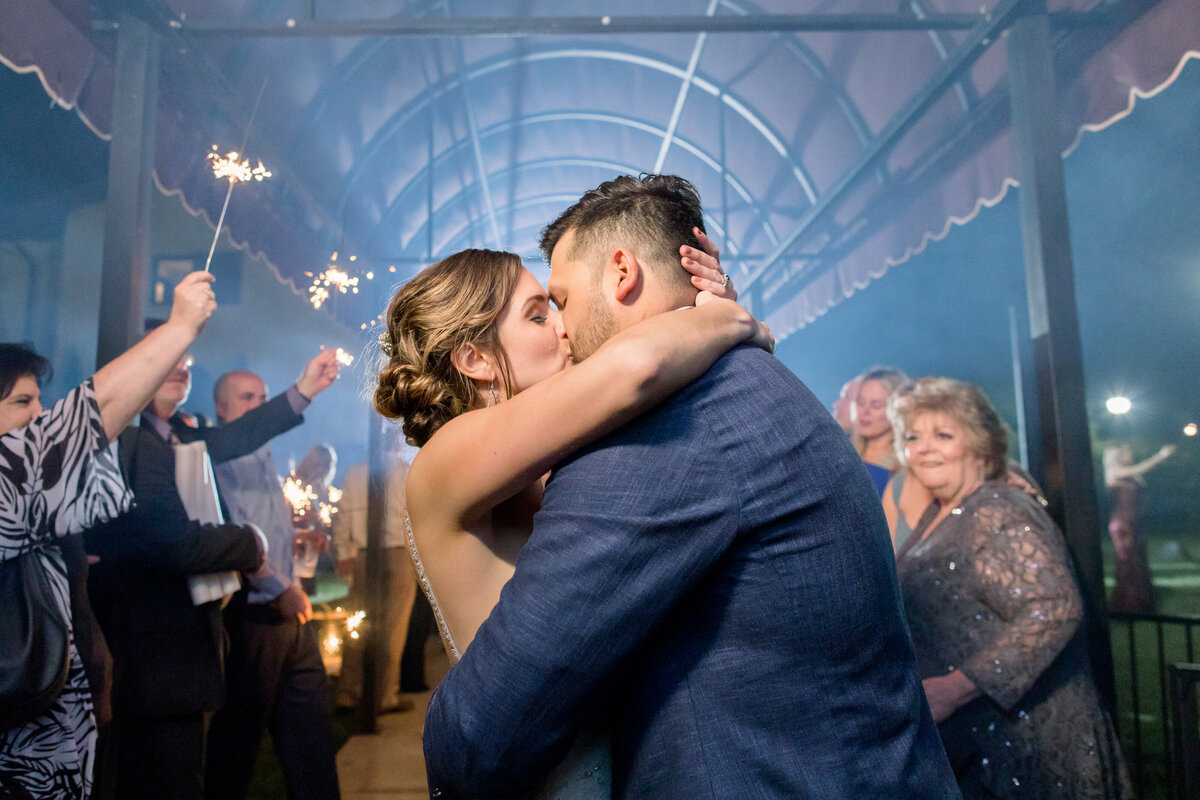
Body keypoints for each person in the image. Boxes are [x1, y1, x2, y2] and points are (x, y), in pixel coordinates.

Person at [409, 174, 957, 797]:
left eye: (557, 301)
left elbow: (482, 732)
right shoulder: (734, 381)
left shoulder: (663, 428)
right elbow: (634, 366)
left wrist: (720, 320)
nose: (561, 328)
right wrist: (728, 318)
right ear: (474, 358)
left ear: (621, 271)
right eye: (541, 314)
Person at [84, 330, 335, 800]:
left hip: (187, 637)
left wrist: (303, 389)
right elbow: (169, 540)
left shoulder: (180, 434)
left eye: (186, 360)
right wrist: (250, 542)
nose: (183, 367)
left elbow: (240, 434)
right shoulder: (129, 442)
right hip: (146, 643)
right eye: (168, 360)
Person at [0, 273, 217, 800]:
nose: (40, 415)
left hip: (63, 735)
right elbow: (87, 421)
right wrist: (180, 327)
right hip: (19, 748)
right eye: (23, 403)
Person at [890, 377, 1130, 798]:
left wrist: (955, 687)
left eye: (943, 435)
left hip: (1031, 740)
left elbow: (1055, 609)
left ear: (980, 443)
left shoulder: (998, 509)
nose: (924, 447)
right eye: (913, 437)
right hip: (979, 739)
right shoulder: (938, 514)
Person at [204, 364, 341, 800]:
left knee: (310, 732)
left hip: (286, 608)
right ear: (220, 408)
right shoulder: (216, 457)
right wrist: (278, 588)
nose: (257, 407)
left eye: (262, 399)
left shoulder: (263, 451)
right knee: (238, 741)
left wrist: (298, 536)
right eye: (246, 398)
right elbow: (232, 533)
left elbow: (263, 524)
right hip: (255, 615)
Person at [330, 449, 417, 713]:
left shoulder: (356, 471)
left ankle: (349, 691)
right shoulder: (406, 470)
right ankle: (385, 695)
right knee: (394, 626)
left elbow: (343, 514)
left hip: (364, 555)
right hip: (397, 554)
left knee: (358, 621)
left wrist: (344, 551)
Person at [1103, 442, 1174, 613]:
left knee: (1138, 561)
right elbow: (1140, 468)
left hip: (1135, 523)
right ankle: (1128, 604)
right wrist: (1160, 456)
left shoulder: (1131, 474)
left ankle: (1142, 602)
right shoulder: (1114, 471)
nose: (1130, 453)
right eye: (1126, 451)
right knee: (1128, 562)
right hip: (1123, 524)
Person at [851, 366, 909, 495]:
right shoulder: (841, 448)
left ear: (897, 410)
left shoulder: (906, 464)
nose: (865, 412)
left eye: (876, 405)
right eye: (861, 402)